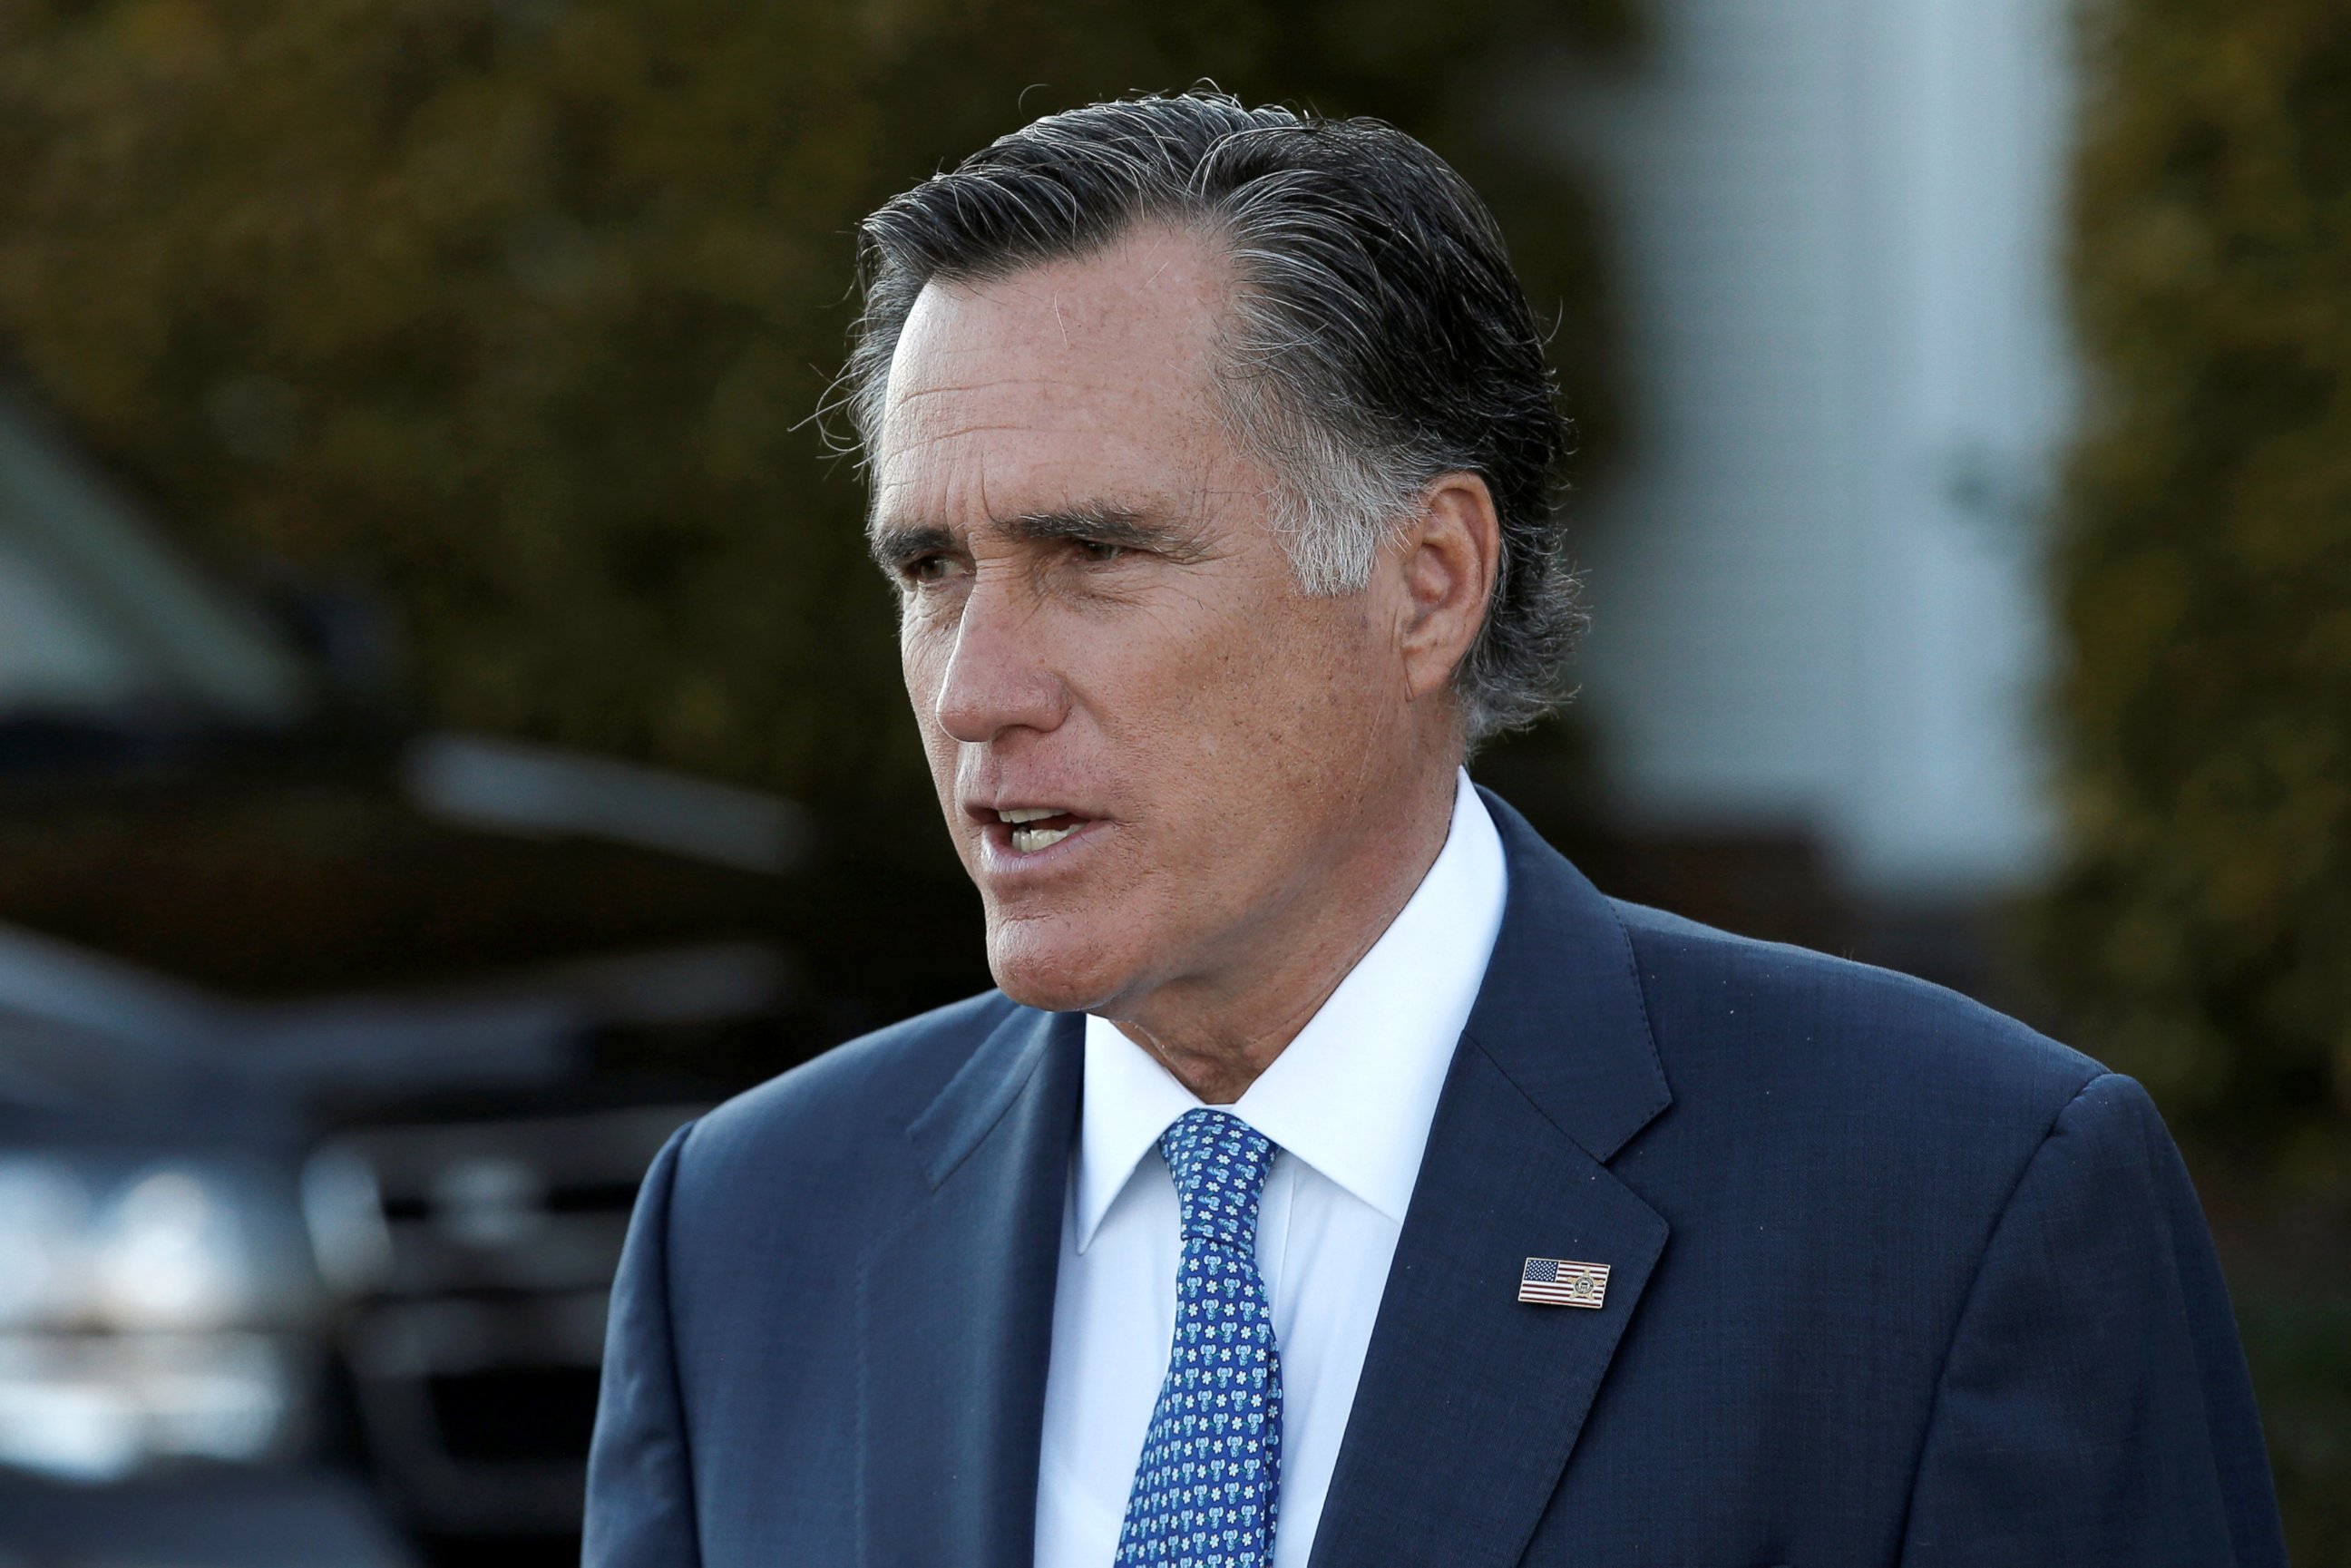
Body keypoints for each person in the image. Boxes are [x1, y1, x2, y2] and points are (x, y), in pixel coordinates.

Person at [582, 91, 2285, 1567]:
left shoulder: (1959, 1205)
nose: (978, 687)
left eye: (1093, 556)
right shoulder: (751, 1230)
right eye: (929, 573)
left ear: (1428, 583)